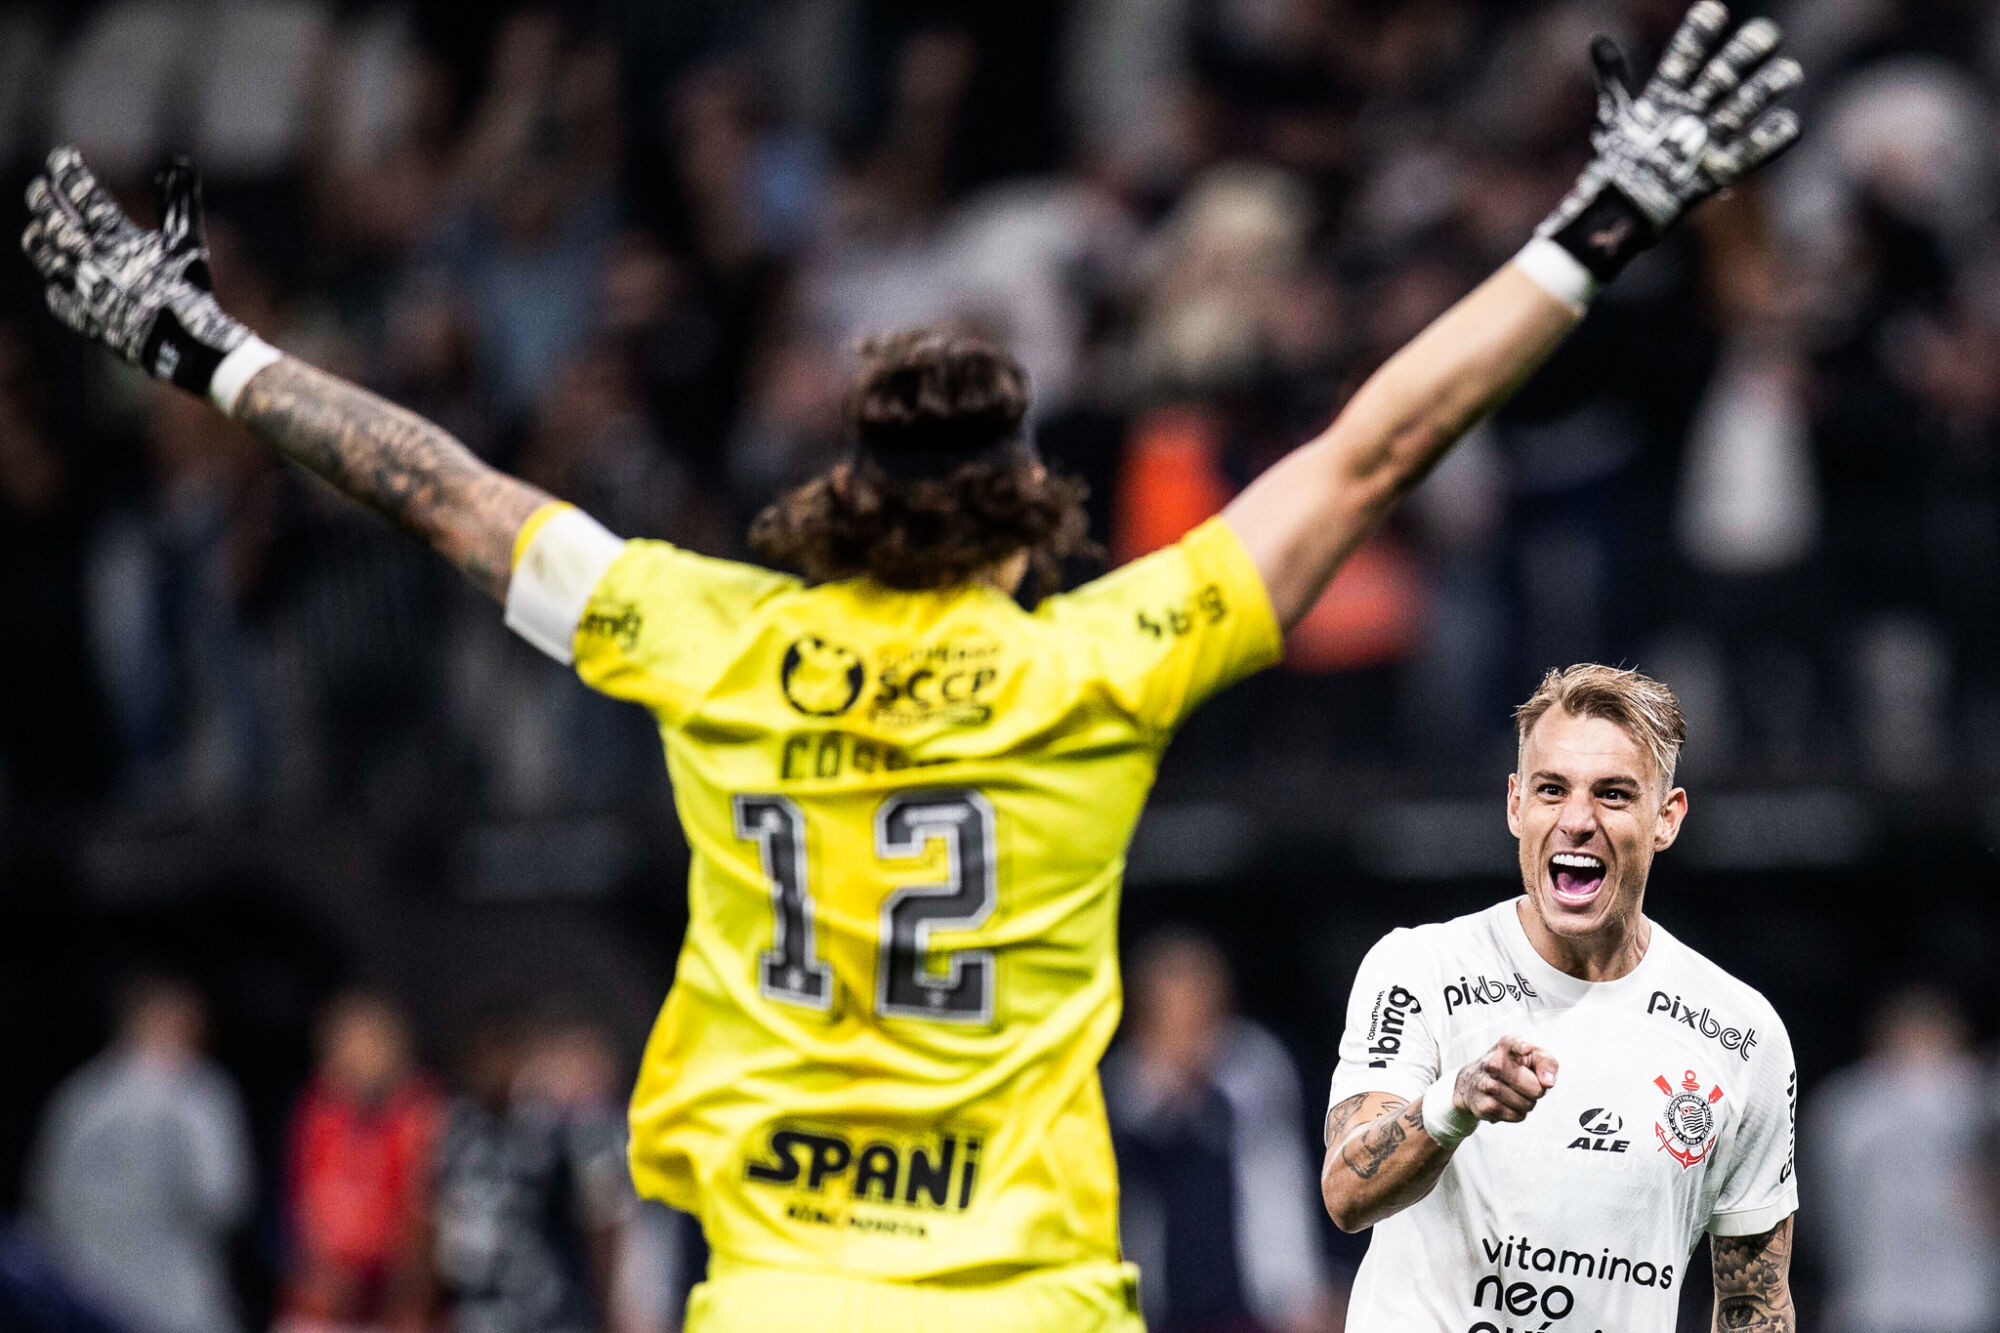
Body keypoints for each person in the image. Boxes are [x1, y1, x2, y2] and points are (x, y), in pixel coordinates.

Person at [19, 5, 1802, 1326]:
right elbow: (1369, 452)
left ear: (831, 506)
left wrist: (206, 344)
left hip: (780, 1297)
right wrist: (1608, 214)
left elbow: (455, 497)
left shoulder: (706, 635)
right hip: (1025, 1299)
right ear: (1027, 521)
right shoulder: (1093, 661)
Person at [1319, 664, 1799, 1331]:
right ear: (1516, 804)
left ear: (1667, 817)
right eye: (1552, 789)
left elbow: (1754, 1304)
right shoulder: (1419, 967)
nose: (1577, 820)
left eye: (1613, 794)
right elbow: (1346, 1192)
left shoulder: (1743, 1034)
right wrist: (1456, 1099)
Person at [1104, 930, 1339, 1332]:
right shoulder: (1122, 1080)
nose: (1186, 1024)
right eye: (1171, 1010)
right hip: (1157, 1306)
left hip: (1263, 1301)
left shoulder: (1256, 1060)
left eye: (1198, 1006)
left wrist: (1309, 1287)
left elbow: (1289, 1173)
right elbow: (1128, 1155)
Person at [25, 976, 255, 1333]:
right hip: (181, 1309)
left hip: (90, 1304)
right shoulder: (201, 1094)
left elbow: (46, 1205)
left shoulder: (81, 1096)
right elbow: (224, 1200)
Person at [1805, 986, 2000, 1333]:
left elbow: (1816, 1212)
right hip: (1962, 1302)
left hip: (1870, 1303)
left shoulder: (1838, 1106)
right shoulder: (1977, 1094)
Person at [278, 992, 442, 1333]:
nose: (358, 1056)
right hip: (327, 1296)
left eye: (371, 1044)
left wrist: (409, 1286)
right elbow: (305, 1200)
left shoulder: (419, 1113)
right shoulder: (317, 1112)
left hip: (395, 1296)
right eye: (347, 1043)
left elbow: (423, 1210)